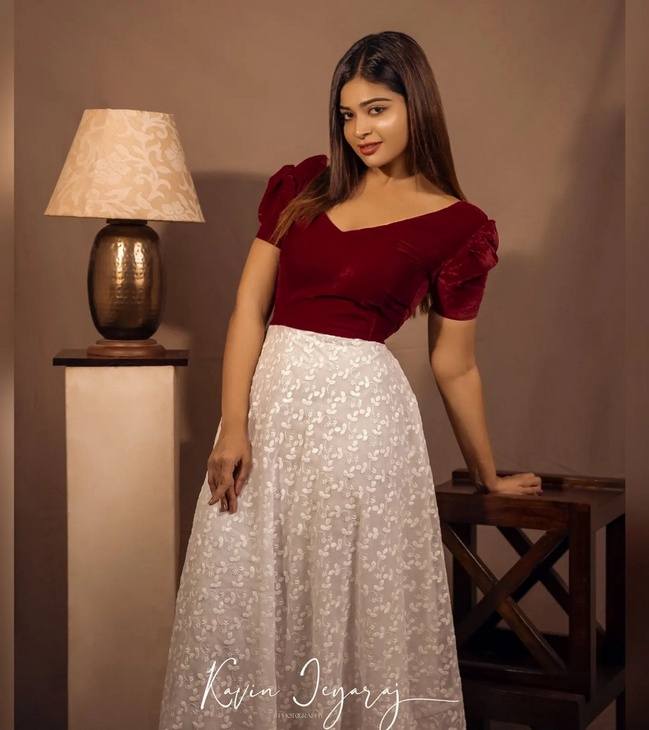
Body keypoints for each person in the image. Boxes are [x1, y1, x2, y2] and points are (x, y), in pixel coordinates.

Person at [158, 30, 542, 730]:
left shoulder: (459, 227)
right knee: (248, 592)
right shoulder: (305, 184)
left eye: (377, 109)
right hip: (271, 411)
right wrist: (234, 425)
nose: (359, 129)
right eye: (347, 114)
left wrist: (488, 475)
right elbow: (248, 310)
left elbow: (455, 364)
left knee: (346, 595)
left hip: (364, 428)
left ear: (417, 106)